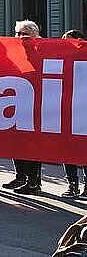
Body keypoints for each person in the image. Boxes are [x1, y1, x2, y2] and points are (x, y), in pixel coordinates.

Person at [4, 20, 44, 194]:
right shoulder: (14, 52)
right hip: (16, 102)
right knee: (16, 142)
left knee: (33, 145)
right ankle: (20, 176)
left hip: (37, 105)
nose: (20, 37)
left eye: (24, 34)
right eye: (18, 34)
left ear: (34, 35)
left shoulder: (43, 49)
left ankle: (34, 181)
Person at [62, 29, 87, 197]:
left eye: (68, 41)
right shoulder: (62, 59)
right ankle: (72, 184)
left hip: (83, 111)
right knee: (67, 149)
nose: (64, 44)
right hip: (66, 110)